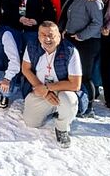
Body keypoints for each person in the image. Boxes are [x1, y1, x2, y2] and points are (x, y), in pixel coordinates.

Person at [21, 21, 83, 149]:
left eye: (51, 35)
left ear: (59, 36)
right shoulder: (32, 45)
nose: (47, 39)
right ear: (38, 36)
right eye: (43, 35)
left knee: (69, 100)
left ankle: (62, 127)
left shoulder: (70, 51)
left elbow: (75, 85)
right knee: (31, 123)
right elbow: (25, 69)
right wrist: (44, 92)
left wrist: (47, 88)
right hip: (39, 89)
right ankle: (54, 109)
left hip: (63, 90)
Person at [60, 0, 104, 118]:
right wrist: (65, 31)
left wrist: (81, 35)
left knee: (84, 75)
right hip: (72, 39)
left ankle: (89, 105)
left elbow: (97, 22)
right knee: (73, 74)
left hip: (87, 42)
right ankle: (78, 103)